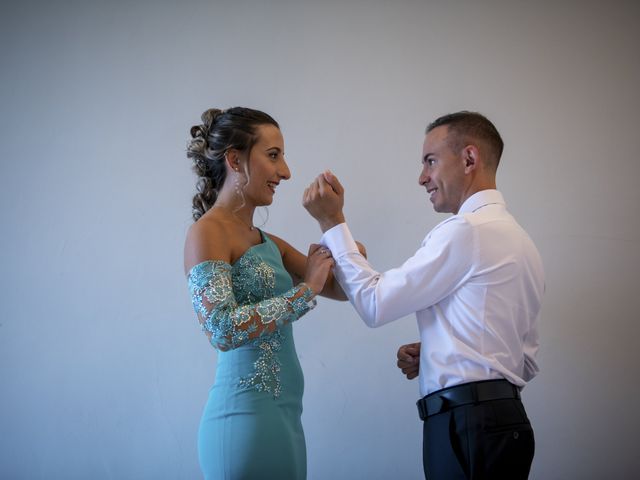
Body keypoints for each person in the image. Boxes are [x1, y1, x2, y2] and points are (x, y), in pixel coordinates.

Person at [303, 111, 544, 479]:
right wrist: (440, 351)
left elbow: (376, 303)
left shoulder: (465, 232)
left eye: (430, 161)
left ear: (469, 159)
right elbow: (521, 361)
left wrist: (331, 223)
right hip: (503, 424)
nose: (422, 178)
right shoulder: (522, 242)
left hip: (467, 426)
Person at [184, 107, 349, 479]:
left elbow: (341, 289)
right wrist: (306, 291)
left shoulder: (267, 242)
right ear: (235, 160)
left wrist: (335, 223)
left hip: (285, 418)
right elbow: (220, 329)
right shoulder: (207, 232)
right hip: (243, 421)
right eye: (273, 156)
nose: (286, 172)